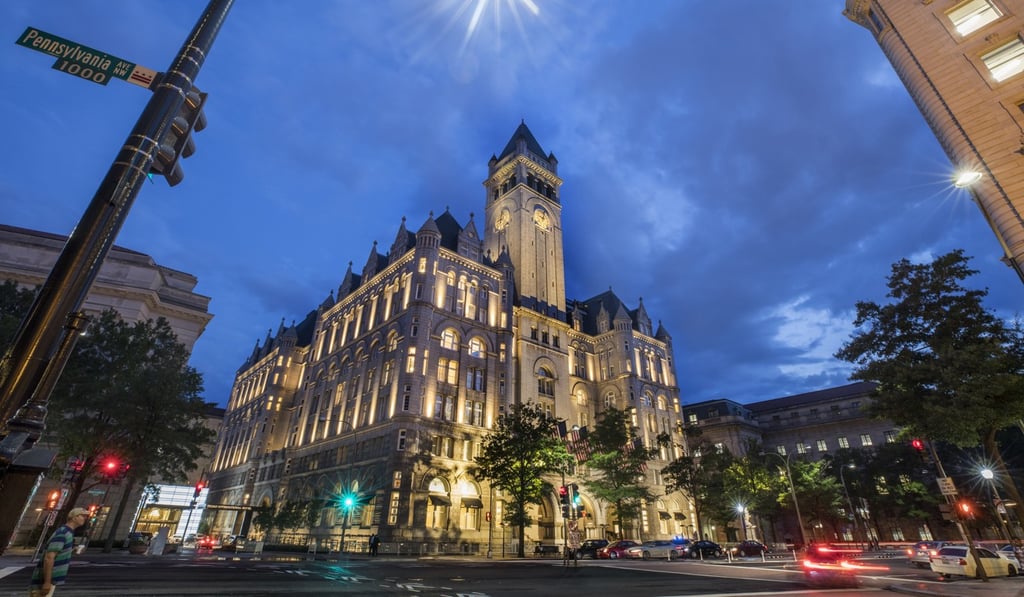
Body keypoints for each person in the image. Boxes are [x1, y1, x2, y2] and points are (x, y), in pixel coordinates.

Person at [29, 507, 89, 597]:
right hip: (44, 581)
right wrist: (47, 582)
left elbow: (57, 553)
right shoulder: (63, 532)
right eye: (82, 516)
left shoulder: (68, 532)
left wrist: (72, 551)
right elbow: (49, 558)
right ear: (74, 517)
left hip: (50, 580)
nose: (85, 518)